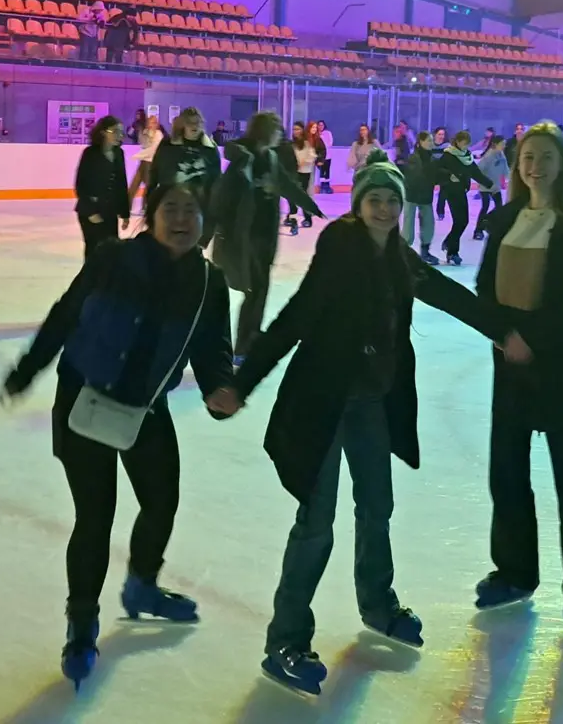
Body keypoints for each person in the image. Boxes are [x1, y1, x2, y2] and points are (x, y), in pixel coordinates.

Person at [209, 162, 531, 695]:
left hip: (371, 403)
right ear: (359, 204)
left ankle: (378, 603)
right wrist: (242, 385)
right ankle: (285, 640)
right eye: (374, 198)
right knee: (316, 522)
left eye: (392, 199)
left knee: (377, 504)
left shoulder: (397, 256)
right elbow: (296, 317)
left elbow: (445, 292)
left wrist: (499, 330)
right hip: (323, 403)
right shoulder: (341, 251)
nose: (384, 208)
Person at [0, 183, 237, 690]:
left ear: (203, 222)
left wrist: (219, 389)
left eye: (191, 210)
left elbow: (213, 347)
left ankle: (142, 587)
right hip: (85, 400)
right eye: (170, 208)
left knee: (162, 500)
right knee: (95, 515)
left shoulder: (208, 282)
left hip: (144, 409)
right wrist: (27, 369)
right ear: (150, 218)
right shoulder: (114, 259)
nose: (180, 218)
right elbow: (67, 314)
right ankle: (81, 623)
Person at [472, 121, 563, 635]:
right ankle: (514, 572)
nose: (536, 166)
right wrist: (502, 332)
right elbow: (485, 287)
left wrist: (534, 339)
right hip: (510, 365)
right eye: (528, 157)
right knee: (506, 473)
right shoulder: (508, 217)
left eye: (546, 156)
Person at [214, 111, 323, 359]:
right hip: (247, 234)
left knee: (260, 289)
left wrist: (311, 206)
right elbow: (224, 196)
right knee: (254, 288)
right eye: (276, 129)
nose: (280, 134)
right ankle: (243, 344)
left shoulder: (271, 158)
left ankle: (250, 336)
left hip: (266, 233)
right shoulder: (245, 159)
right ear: (265, 131)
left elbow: (287, 186)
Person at [149, 107, 222, 247]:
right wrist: (150, 204)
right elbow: (154, 174)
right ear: (182, 124)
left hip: (198, 211)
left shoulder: (210, 149)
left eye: (198, 122)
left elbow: (216, 183)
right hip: (171, 208)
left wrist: (212, 218)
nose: (195, 126)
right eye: (190, 122)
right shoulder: (168, 146)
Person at [74, 116, 130, 260]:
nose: (119, 135)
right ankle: (90, 280)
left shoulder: (119, 153)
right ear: (103, 132)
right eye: (115, 131)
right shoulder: (90, 153)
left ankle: (108, 280)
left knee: (112, 249)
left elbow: (121, 183)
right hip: (90, 210)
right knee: (95, 249)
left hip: (110, 209)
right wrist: (91, 211)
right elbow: (81, 184)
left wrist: (125, 213)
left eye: (121, 132)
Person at [438, 131, 493, 265]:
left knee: (464, 221)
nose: (465, 146)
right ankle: (453, 252)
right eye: (463, 143)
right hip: (450, 191)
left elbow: (474, 172)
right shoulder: (448, 155)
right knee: (459, 221)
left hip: (461, 191)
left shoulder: (467, 156)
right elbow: (438, 172)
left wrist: (488, 183)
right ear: (457, 141)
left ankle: (449, 242)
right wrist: (448, 177)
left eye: (467, 144)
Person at [401, 131, 439, 264]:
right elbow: (414, 177)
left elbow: (435, 176)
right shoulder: (413, 158)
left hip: (426, 196)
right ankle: (404, 252)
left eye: (431, 141)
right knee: (408, 225)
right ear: (421, 142)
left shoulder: (433, 159)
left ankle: (425, 251)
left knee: (428, 224)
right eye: (428, 141)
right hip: (412, 195)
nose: (431, 143)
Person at [474, 134, 508, 240]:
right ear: (495, 145)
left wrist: (507, 178)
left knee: (499, 207)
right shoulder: (488, 156)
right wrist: (482, 182)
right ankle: (478, 231)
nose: (504, 146)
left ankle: (486, 221)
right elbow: (478, 170)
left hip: (495, 186)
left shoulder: (501, 154)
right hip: (485, 186)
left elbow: (505, 168)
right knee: (485, 206)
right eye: (502, 144)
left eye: (504, 144)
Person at [128, 114, 164, 205]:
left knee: (148, 186)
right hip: (144, 162)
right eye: (150, 122)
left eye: (154, 122)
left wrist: (137, 156)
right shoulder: (146, 132)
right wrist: (144, 133)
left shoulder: (159, 135)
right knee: (134, 184)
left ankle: (146, 207)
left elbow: (152, 150)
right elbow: (141, 143)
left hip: (151, 164)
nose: (152, 124)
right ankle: (126, 207)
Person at [290, 121, 317, 229]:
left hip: (305, 172)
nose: (295, 131)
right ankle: (292, 216)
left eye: (297, 129)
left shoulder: (307, 143)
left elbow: (312, 156)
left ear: (302, 130)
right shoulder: (293, 143)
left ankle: (308, 218)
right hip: (294, 171)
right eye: (294, 129)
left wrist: (302, 163)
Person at [308, 121, 331, 194]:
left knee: (324, 172)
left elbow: (322, 149)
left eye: (315, 127)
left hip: (314, 161)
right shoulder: (306, 138)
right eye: (313, 127)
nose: (314, 129)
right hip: (304, 162)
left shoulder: (319, 138)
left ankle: (325, 187)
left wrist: (320, 159)